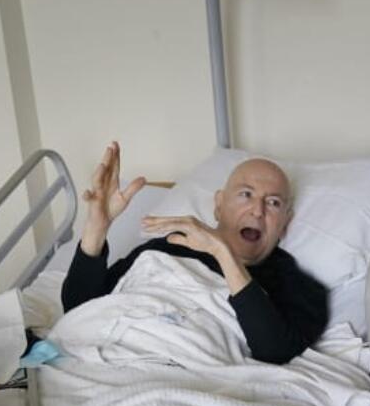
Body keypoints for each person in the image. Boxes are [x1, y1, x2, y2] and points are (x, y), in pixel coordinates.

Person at [61, 142, 328, 364]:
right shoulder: (167, 247)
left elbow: (275, 351)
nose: (257, 211)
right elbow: (81, 310)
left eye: (273, 203)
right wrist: (96, 228)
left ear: (285, 222)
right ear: (218, 205)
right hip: (107, 356)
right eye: (246, 194)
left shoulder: (296, 285)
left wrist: (223, 253)